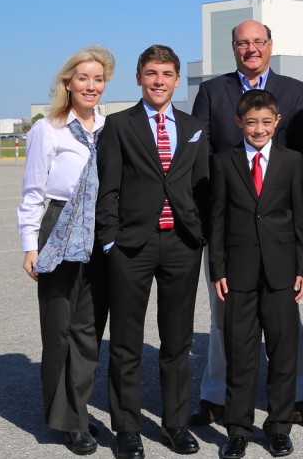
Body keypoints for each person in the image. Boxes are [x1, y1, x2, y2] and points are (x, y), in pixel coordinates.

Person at [190, 20, 303, 426]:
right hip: (231, 225)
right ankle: (216, 396)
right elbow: (203, 159)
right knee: (222, 318)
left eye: (258, 42)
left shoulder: (296, 91)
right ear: (233, 48)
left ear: (271, 45)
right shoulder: (212, 91)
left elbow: (300, 161)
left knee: (286, 321)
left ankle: (293, 397)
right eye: (243, 43)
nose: (251, 49)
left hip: (278, 229)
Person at [96, 45, 209, 459]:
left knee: (176, 341)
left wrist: (201, 235)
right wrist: (110, 240)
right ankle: (126, 427)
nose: (158, 81)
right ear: (139, 78)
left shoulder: (194, 125)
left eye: (166, 74)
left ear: (177, 80)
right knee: (126, 341)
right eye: (150, 73)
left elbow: (203, 185)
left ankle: (175, 424)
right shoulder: (119, 126)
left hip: (181, 244)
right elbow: (107, 188)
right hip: (132, 245)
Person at [18, 45, 114, 456]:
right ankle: (66, 422)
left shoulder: (110, 127)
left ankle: (77, 409)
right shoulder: (49, 128)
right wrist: (28, 245)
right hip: (58, 228)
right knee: (59, 330)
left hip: (98, 229)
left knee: (89, 331)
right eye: (83, 78)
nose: (91, 86)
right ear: (68, 83)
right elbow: (34, 192)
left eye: (98, 78)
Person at [210, 90, 303, 459]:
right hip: (238, 272)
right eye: (251, 122)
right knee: (241, 352)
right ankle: (238, 429)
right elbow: (216, 219)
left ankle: (279, 426)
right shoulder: (224, 162)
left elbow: (300, 216)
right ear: (239, 123)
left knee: (283, 352)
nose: (258, 128)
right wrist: (217, 268)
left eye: (266, 122)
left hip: (282, 270)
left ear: (277, 121)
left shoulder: (291, 161)